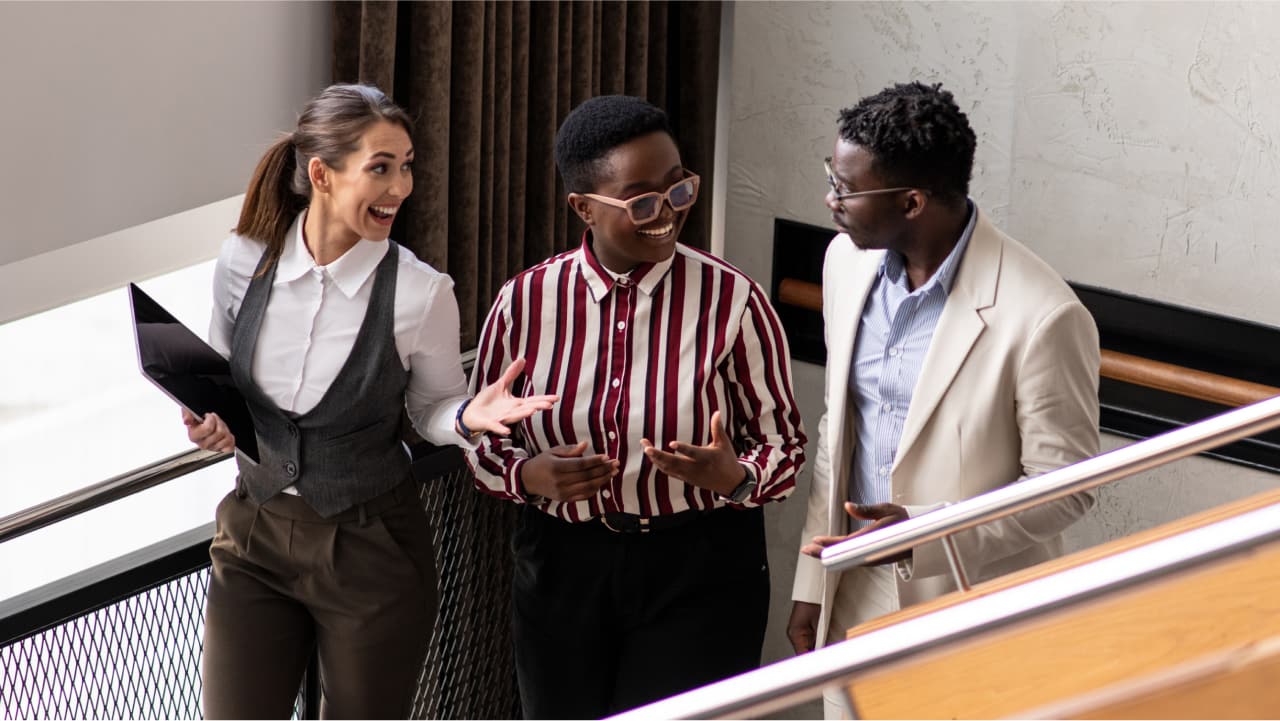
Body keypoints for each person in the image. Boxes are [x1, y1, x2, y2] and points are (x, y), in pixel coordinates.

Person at [182, 83, 555, 719]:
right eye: (381, 168)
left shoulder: (420, 292)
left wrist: (468, 418)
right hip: (254, 535)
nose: (400, 188)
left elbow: (432, 410)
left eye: (406, 166)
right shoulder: (242, 260)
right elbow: (219, 388)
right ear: (322, 174)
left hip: (372, 548)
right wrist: (207, 422)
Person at [465, 95, 807, 719]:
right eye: (643, 201)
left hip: (700, 569)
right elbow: (485, 441)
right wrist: (527, 476)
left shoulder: (734, 301)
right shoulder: (525, 303)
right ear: (584, 208)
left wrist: (733, 476)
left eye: (680, 189)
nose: (668, 214)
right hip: (562, 567)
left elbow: (784, 448)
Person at [785, 81, 1099, 719]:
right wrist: (812, 583)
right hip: (852, 589)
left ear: (912, 201)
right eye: (831, 176)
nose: (831, 199)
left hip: (970, 605)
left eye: (847, 188)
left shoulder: (1044, 314)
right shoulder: (844, 261)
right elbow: (838, 431)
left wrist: (926, 533)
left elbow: (1067, 486)